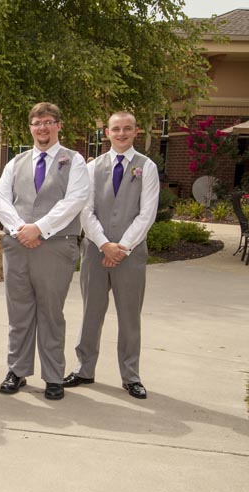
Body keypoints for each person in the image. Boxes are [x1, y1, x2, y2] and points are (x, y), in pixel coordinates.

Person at [0, 102, 89, 400]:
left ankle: (53, 376)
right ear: (30, 128)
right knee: (19, 312)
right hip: (17, 245)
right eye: (37, 123)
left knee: (51, 313)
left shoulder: (74, 161)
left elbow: (74, 200)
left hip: (56, 246)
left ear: (58, 125)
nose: (42, 128)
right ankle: (17, 371)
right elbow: (1, 199)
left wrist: (39, 228)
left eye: (48, 122)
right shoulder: (16, 162)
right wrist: (20, 229)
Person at [64, 111, 159, 399]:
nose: (121, 133)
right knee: (91, 312)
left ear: (136, 131)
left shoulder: (147, 167)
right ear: (107, 133)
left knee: (129, 316)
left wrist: (122, 247)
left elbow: (147, 214)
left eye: (127, 128)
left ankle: (131, 376)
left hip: (131, 255)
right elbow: (85, 210)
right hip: (95, 251)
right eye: (116, 129)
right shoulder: (92, 168)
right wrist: (105, 244)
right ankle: (84, 368)